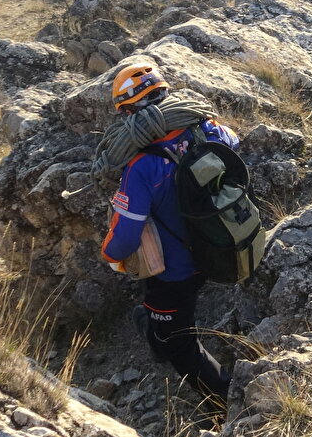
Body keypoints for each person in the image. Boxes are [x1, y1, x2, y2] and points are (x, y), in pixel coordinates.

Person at [100, 64, 237, 415]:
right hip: (220, 245)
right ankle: (155, 325)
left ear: (129, 112)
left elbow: (125, 237)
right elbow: (233, 143)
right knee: (169, 318)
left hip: (176, 270)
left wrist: (111, 255)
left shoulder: (142, 166)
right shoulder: (207, 130)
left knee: (178, 344)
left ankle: (226, 404)